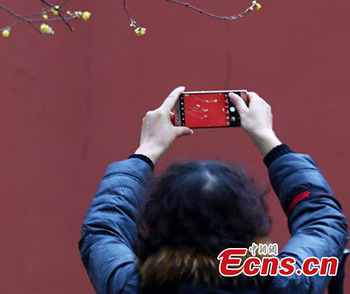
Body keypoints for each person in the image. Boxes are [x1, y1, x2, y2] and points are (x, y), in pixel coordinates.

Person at [79, 87, 348, 293]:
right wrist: (269, 140)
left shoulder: (132, 286)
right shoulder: (285, 282)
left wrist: (146, 151)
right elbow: (322, 221)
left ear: (158, 221)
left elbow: (103, 229)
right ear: (249, 222)